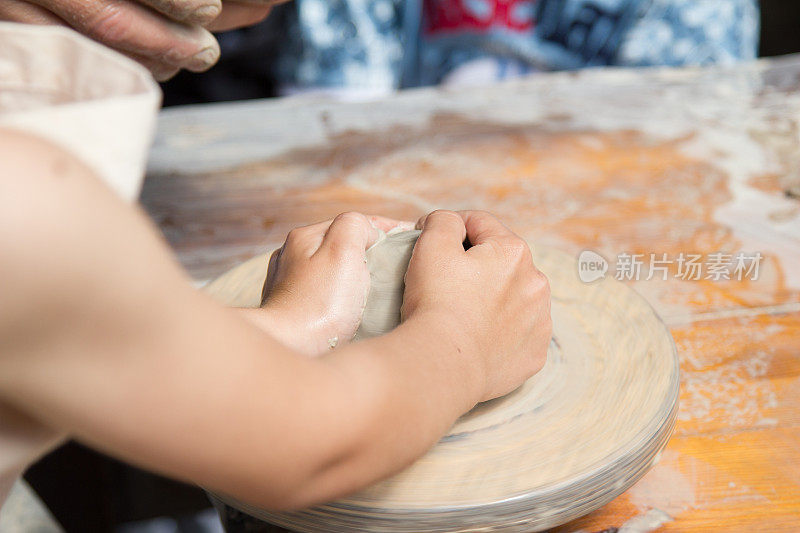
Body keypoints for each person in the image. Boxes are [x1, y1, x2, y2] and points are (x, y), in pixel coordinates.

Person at [0, 20, 552, 522]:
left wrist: (298, 323)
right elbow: (318, 447)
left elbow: (94, 345)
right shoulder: (23, 205)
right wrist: (463, 343)